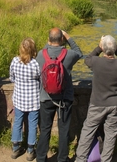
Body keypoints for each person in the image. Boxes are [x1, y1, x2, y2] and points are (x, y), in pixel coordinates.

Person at [75, 35, 117, 162]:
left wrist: (99, 47)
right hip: (114, 104)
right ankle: (106, 159)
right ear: (115, 49)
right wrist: (115, 48)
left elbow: (87, 59)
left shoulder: (96, 62)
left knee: (88, 130)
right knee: (111, 133)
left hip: (97, 103)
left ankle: (80, 159)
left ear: (103, 49)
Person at [35, 28, 83, 162]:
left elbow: (46, 49)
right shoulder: (68, 54)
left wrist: (49, 42)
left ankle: (41, 158)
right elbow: (79, 53)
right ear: (62, 39)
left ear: (48, 40)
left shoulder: (41, 54)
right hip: (64, 99)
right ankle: (62, 158)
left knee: (45, 129)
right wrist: (68, 37)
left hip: (46, 98)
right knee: (64, 129)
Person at [9, 38, 40, 161]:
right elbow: (40, 79)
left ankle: (15, 148)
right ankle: (30, 151)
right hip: (33, 100)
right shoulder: (36, 63)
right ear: (33, 50)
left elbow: (12, 78)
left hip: (19, 99)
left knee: (17, 122)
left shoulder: (15, 61)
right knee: (32, 125)